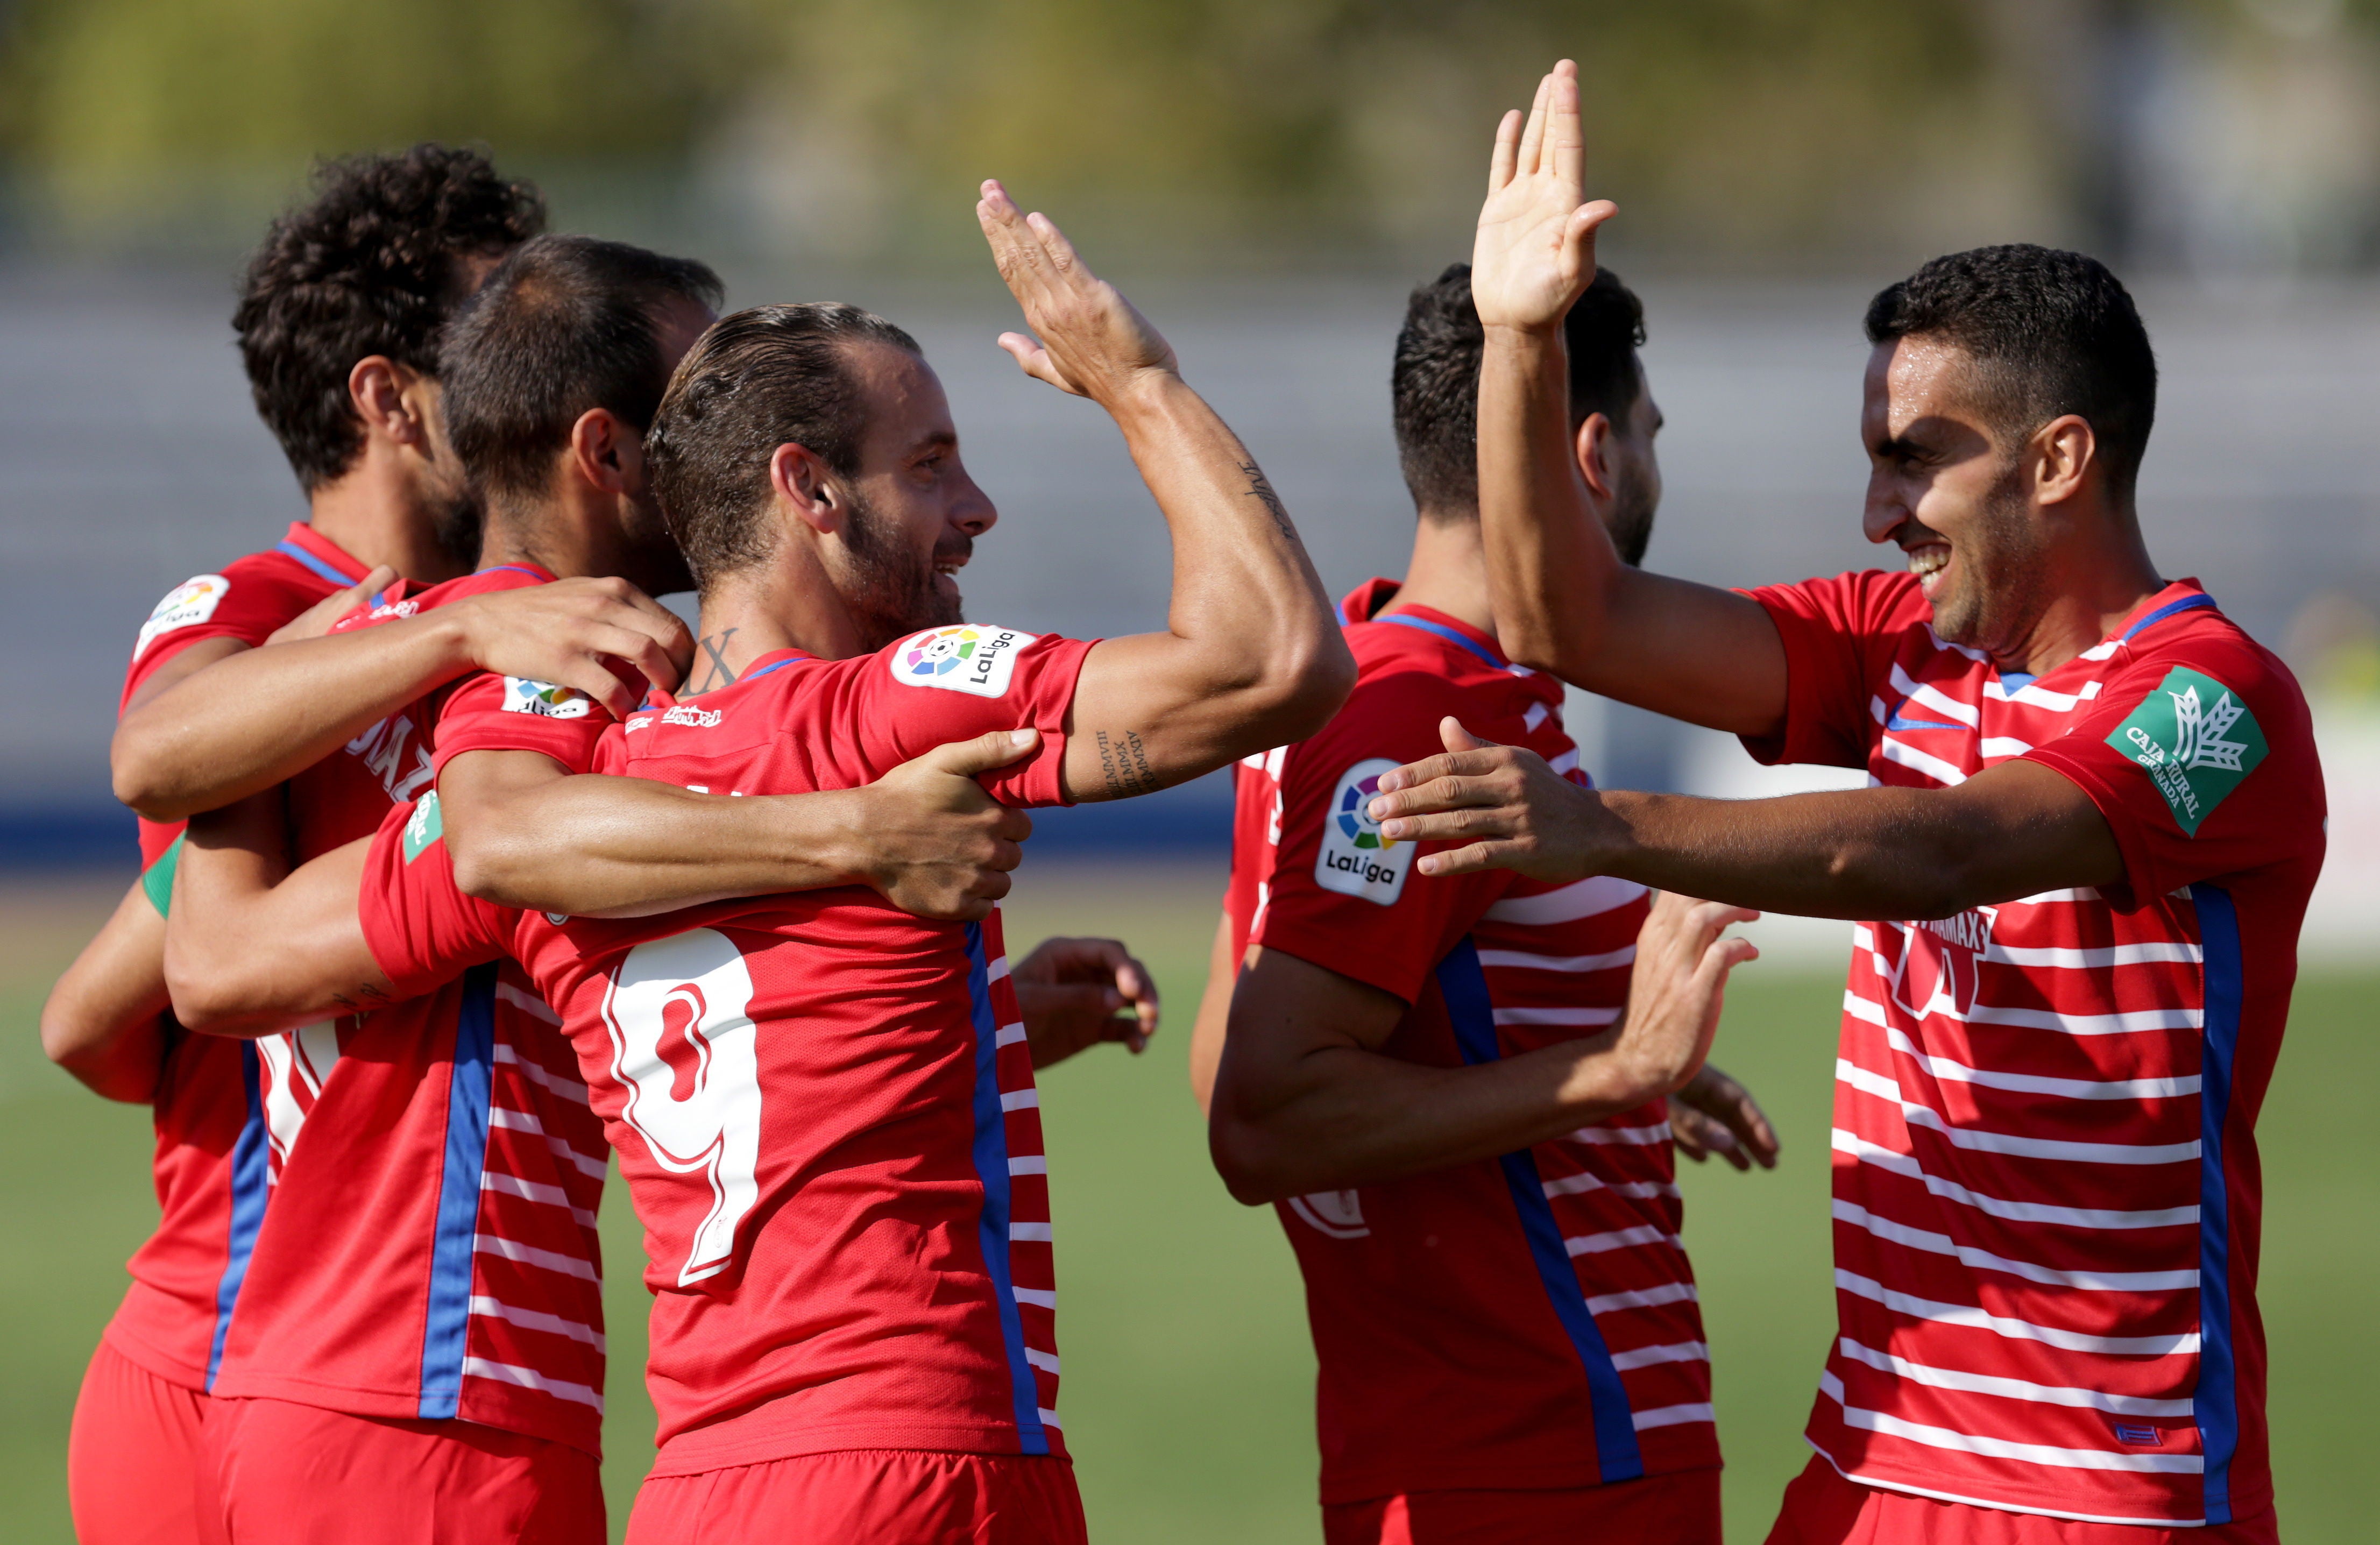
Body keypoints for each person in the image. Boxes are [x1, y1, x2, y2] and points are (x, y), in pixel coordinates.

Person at [162, 181, 1354, 1543]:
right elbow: (1273, 661)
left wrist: (977, 1021)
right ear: (801, 487)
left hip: (699, 1482)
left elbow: (286, 936)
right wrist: (1136, 378)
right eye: (931, 464)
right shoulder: (891, 706)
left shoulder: (548, 766)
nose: (976, 507)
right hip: (905, 1456)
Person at [1363, 61, 2324, 1543]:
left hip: (2103, 1490)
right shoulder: (1894, 644)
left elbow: (1951, 850)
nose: (1877, 515)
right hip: (1868, 1466)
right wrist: (1521, 340)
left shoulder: (2219, 705)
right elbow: (1568, 619)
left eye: (1914, 464)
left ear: (2059, 459)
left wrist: (1606, 824)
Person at [1191, 261, 1773, 1545]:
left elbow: (1232, 1050)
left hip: (1475, 1451)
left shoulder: (1345, 687)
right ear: (1593, 452)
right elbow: (1266, 1113)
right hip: (1536, 1458)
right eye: (1653, 436)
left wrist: (1589, 1064)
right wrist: (1614, 1068)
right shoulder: (1423, 724)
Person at [40, 145, 546, 1545]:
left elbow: (90, 1020)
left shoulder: (522, 622)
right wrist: (441, 633)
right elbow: (161, 745)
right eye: (498, 340)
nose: (538, 377)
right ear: (387, 398)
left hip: (385, 1368)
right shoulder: (258, 606)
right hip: (231, 1355)